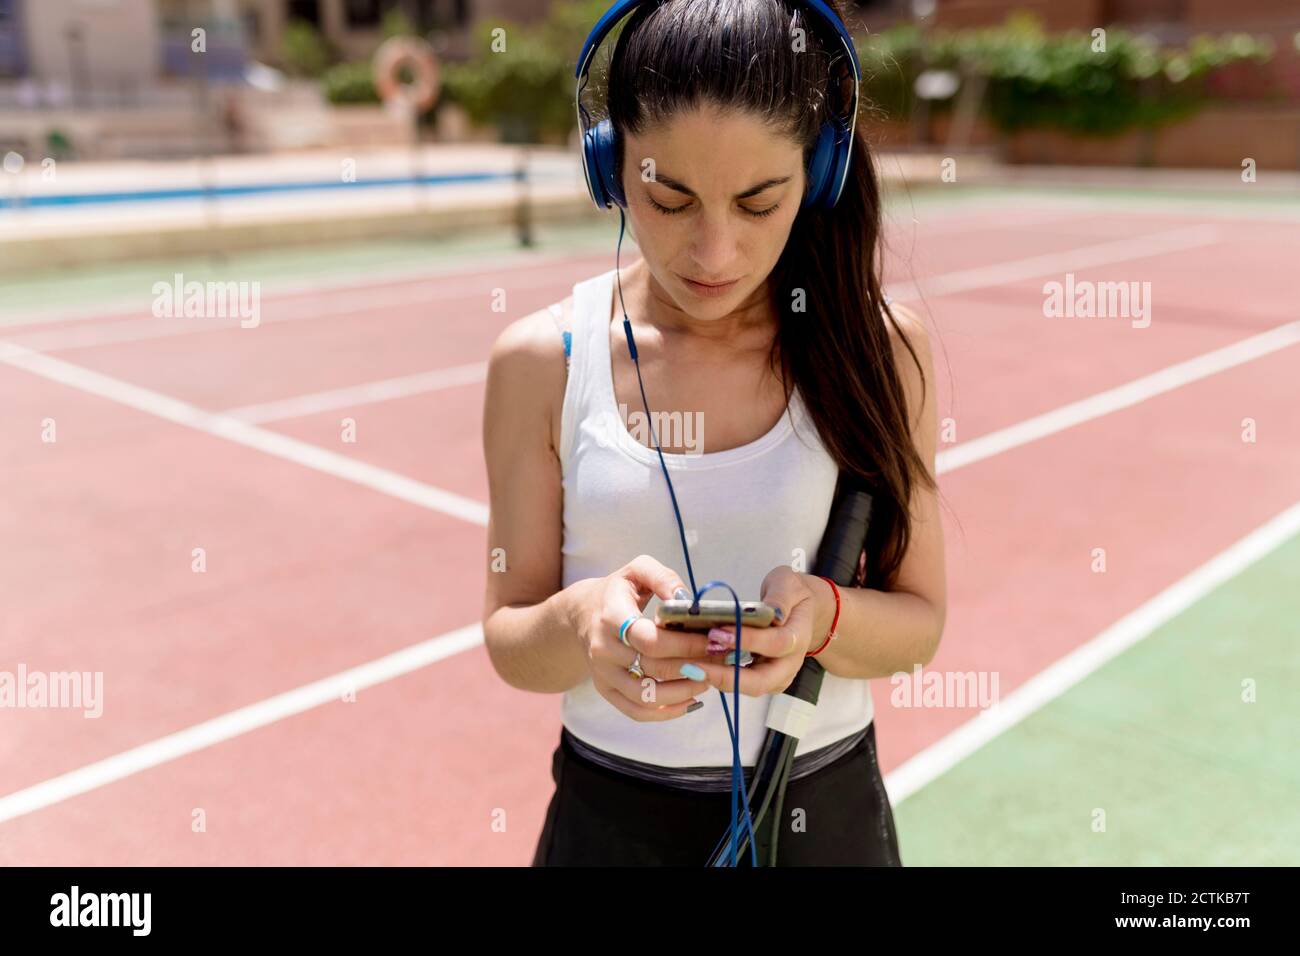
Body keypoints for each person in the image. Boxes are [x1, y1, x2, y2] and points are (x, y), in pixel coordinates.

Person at [481, 0, 946, 866]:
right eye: (669, 198)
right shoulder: (543, 359)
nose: (714, 252)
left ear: (822, 170)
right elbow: (511, 636)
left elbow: (919, 624)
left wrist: (825, 619)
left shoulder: (880, 348)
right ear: (608, 164)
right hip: (609, 823)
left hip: (824, 814)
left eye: (759, 203)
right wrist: (585, 620)